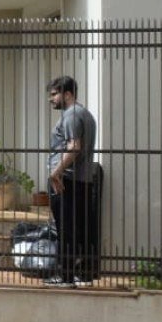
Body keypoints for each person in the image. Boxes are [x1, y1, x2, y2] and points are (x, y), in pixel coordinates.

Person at [45, 76, 98, 287]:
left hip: (67, 181)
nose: (51, 99)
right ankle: (80, 274)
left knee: (65, 229)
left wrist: (55, 173)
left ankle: (65, 276)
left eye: (54, 94)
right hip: (82, 180)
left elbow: (74, 146)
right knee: (77, 229)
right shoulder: (86, 114)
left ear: (67, 94)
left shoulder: (71, 115)